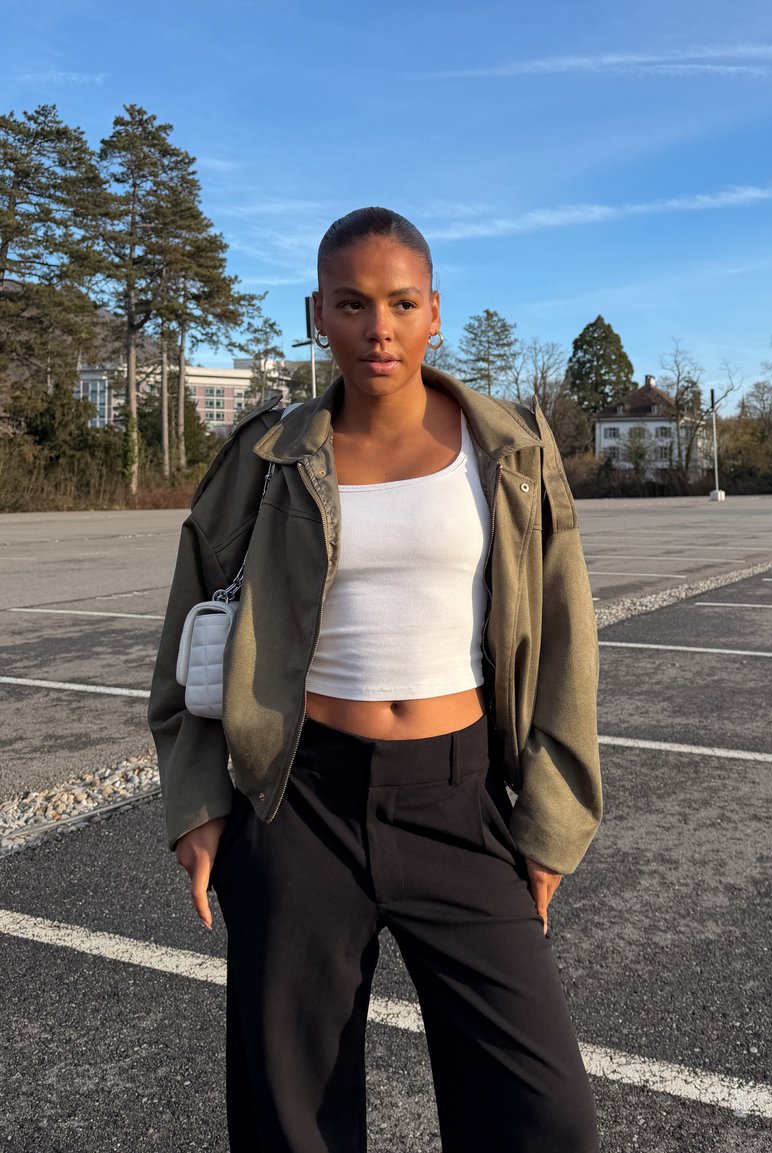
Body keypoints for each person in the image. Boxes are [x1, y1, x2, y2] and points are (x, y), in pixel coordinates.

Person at [149, 207, 602, 1153]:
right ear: (319, 314)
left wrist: (554, 818)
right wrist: (196, 800)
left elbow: (567, 637)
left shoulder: (510, 450)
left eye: (400, 302)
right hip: (300, 802)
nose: (378, 327)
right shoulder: (267, 458)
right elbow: (193, 626)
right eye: (352, 303)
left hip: (460, 799)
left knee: (543, 1116)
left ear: (435, 311)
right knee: (293, 1120)